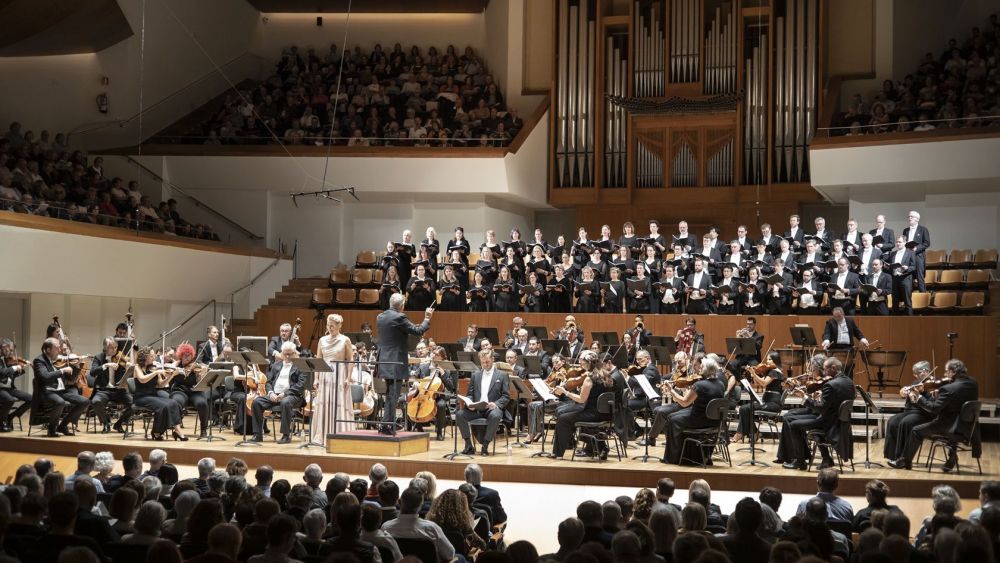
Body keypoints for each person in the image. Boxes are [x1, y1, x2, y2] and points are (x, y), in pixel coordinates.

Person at [890, 358, 979, 472]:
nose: (944, 374)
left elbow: (933, 409)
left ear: (953, 372)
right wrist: (940, 394)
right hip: (968, 426)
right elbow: (956, 398)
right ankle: (952, 458)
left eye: (946, 371)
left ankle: (904, 460)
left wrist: (920, 398)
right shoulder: (973, 383)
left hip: (949, 426)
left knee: (916, 431)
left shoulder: (949, 388)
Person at [779, 357, 856, 470]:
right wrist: (817, 398)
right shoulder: (848, 382)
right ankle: (822, 458)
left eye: (825, 369)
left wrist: (804, 397)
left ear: (833, 368)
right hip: (840, 422)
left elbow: (820, 408)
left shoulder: (830, 385)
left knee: (793, 425)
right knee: (792, 419)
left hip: (828, 423)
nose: (824, 372)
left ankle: (800, 462)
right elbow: (832, 402)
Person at [377, 293, 432, 436]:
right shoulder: (399, 317)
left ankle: (386, 422)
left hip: (384, 360)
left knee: (390, 393)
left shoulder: (381, 317)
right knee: (393, 394)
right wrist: (427, 318)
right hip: (395, 361)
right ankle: (386, 425)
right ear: (401, 306)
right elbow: (418, 330)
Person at [551, 350, 614, 459]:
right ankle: (599, 447)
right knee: (566, 414)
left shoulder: (589, 379)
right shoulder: (606, 374)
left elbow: (581, 399)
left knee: (563, 418)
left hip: (593, 414)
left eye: (583, 361)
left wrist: (565, 392)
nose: (581, 364)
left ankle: (558, 453)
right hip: (606, 414)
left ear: (589, 363)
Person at [663, 357, 726, 465]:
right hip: (715, 421)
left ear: (706, 369)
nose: (699, 369)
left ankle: (673, 458)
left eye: (701, 367)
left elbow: (684, 402)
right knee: (674, 416)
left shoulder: (699, 385)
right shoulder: (721, 384)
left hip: (699, 420)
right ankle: (691, 455)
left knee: (672, 419)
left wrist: (671, 390)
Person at [32, 337, 90, 437]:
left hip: (61, 391)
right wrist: (62, 371)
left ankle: (63, 426)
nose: (59, 350)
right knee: (60, 402)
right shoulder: (39, 361)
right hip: (47, 392)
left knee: (85, 401)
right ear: (48, 349)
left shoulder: (59, 360)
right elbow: (44, 376)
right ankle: (51, 429)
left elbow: (71, 381)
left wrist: (76, 366)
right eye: (57, 348)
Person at [457, 349, 510, 456]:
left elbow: (506, 396)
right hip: (477, 408)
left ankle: (485, 446)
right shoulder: (475, 375)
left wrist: (496, 404)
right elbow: (470, 394)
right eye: (482, 362)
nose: (485, 364)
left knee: (495, 416)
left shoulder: (502, 375)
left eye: (487, 362)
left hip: (491, 409)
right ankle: (468, 445)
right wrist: (470, 403)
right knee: (460, 414)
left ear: (492, 359)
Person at [381, 487, 455, 561]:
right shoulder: (432, 528)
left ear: (399, 502)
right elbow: (450, 554)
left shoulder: (386, 527)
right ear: (421, 506)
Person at [251, 342, 305, 444]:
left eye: (290, 353)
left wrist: (285, 394)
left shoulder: (300, 366)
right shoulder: (276, 365)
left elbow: (300, 385)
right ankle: (257, 435)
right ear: (282, 353)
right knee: (256, 402)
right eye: (285, 354)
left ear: (294, 353)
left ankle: (286, 436)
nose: (288, 356)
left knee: (285, 402)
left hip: (292, 396)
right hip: (275, 395)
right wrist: (271, 393)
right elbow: (268, 382)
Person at [883, 361, 935, 463]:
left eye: (918, 373)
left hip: (924, 413)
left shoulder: (934, 385)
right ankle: (892, 455)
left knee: (906, 422)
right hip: (910, 411)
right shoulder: (917, 382)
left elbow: (932, 404)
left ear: (926, 371)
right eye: (914, 373)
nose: (915, 375)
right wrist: (903, 392)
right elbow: (906, 391)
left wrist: (920, 394)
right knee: (892, 421)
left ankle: (902, 457)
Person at [731, 351, 784, 444]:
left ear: (776, 360)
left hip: (773, 403)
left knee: (745, 408)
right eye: (767, 359)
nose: (767, 361)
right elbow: (758, 383)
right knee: (745, 408)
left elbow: (763, 383)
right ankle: (754, 432)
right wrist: (753, 374)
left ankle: (742, 433)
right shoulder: (772, 371)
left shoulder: (775, 372)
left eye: (770, 359)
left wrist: (754, 374)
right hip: (767, 401)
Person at [315, 314, 354, 437]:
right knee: (324, 403)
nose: (330, 328)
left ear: (339, 326)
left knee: (338, 402)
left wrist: (348, 378)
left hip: (339, 374)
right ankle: (323, 434)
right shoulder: (322, 340)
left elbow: (351, 359)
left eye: (332, 326)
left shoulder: (345, 340)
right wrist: (316, 378)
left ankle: (340, 434)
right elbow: (318, 359)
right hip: (325, 374)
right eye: (328, 325)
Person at [89, 337, 133, 434]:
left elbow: (128, 377)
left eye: (116, 347)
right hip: (103, 390)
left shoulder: (120, 359)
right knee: (96, 401)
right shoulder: (99, 358)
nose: (114, 350)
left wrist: (128, 369)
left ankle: (118, 424)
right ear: (105, 348)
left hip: (119, 390)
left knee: (134, 404)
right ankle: (105, 423)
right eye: (111, 348)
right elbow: (92, 372)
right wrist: (106, 365)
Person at [0, 338, 33, 431]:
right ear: (3, 348)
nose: (11, 352)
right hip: (0, 389)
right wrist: (14, 368)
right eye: (9, 350)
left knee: (31, 399)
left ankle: (11, 416)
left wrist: (21, 369)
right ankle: (2, 422)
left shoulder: (9, 360)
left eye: (12, 350)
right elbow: (2, 372)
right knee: (9, 400)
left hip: (10, 389)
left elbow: (11, 376)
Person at [887, 235, 917, 315]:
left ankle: (910, 321)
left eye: (900, 242)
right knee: (895, 302)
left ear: (905, 242)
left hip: (905, 279)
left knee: (907, 302)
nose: (898, 244)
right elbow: (891, 266)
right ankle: (894, 321)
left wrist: (907, 268)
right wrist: (887, 266)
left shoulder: (910, 252)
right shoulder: (893, 253)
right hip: (895, 279)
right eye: (897, 242)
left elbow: (914, 267)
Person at [901, 210, 930, 291]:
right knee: (908, 278)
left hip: (918, 256)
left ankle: (923, 299)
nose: (909, 218)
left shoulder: (923, 229)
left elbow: (927, 243)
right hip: (907, 256)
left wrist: (917, 248)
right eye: (909, 216)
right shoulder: (905, 230)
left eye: (912, 216)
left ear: (917, 219)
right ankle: (908, 300)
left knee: (920, 277)